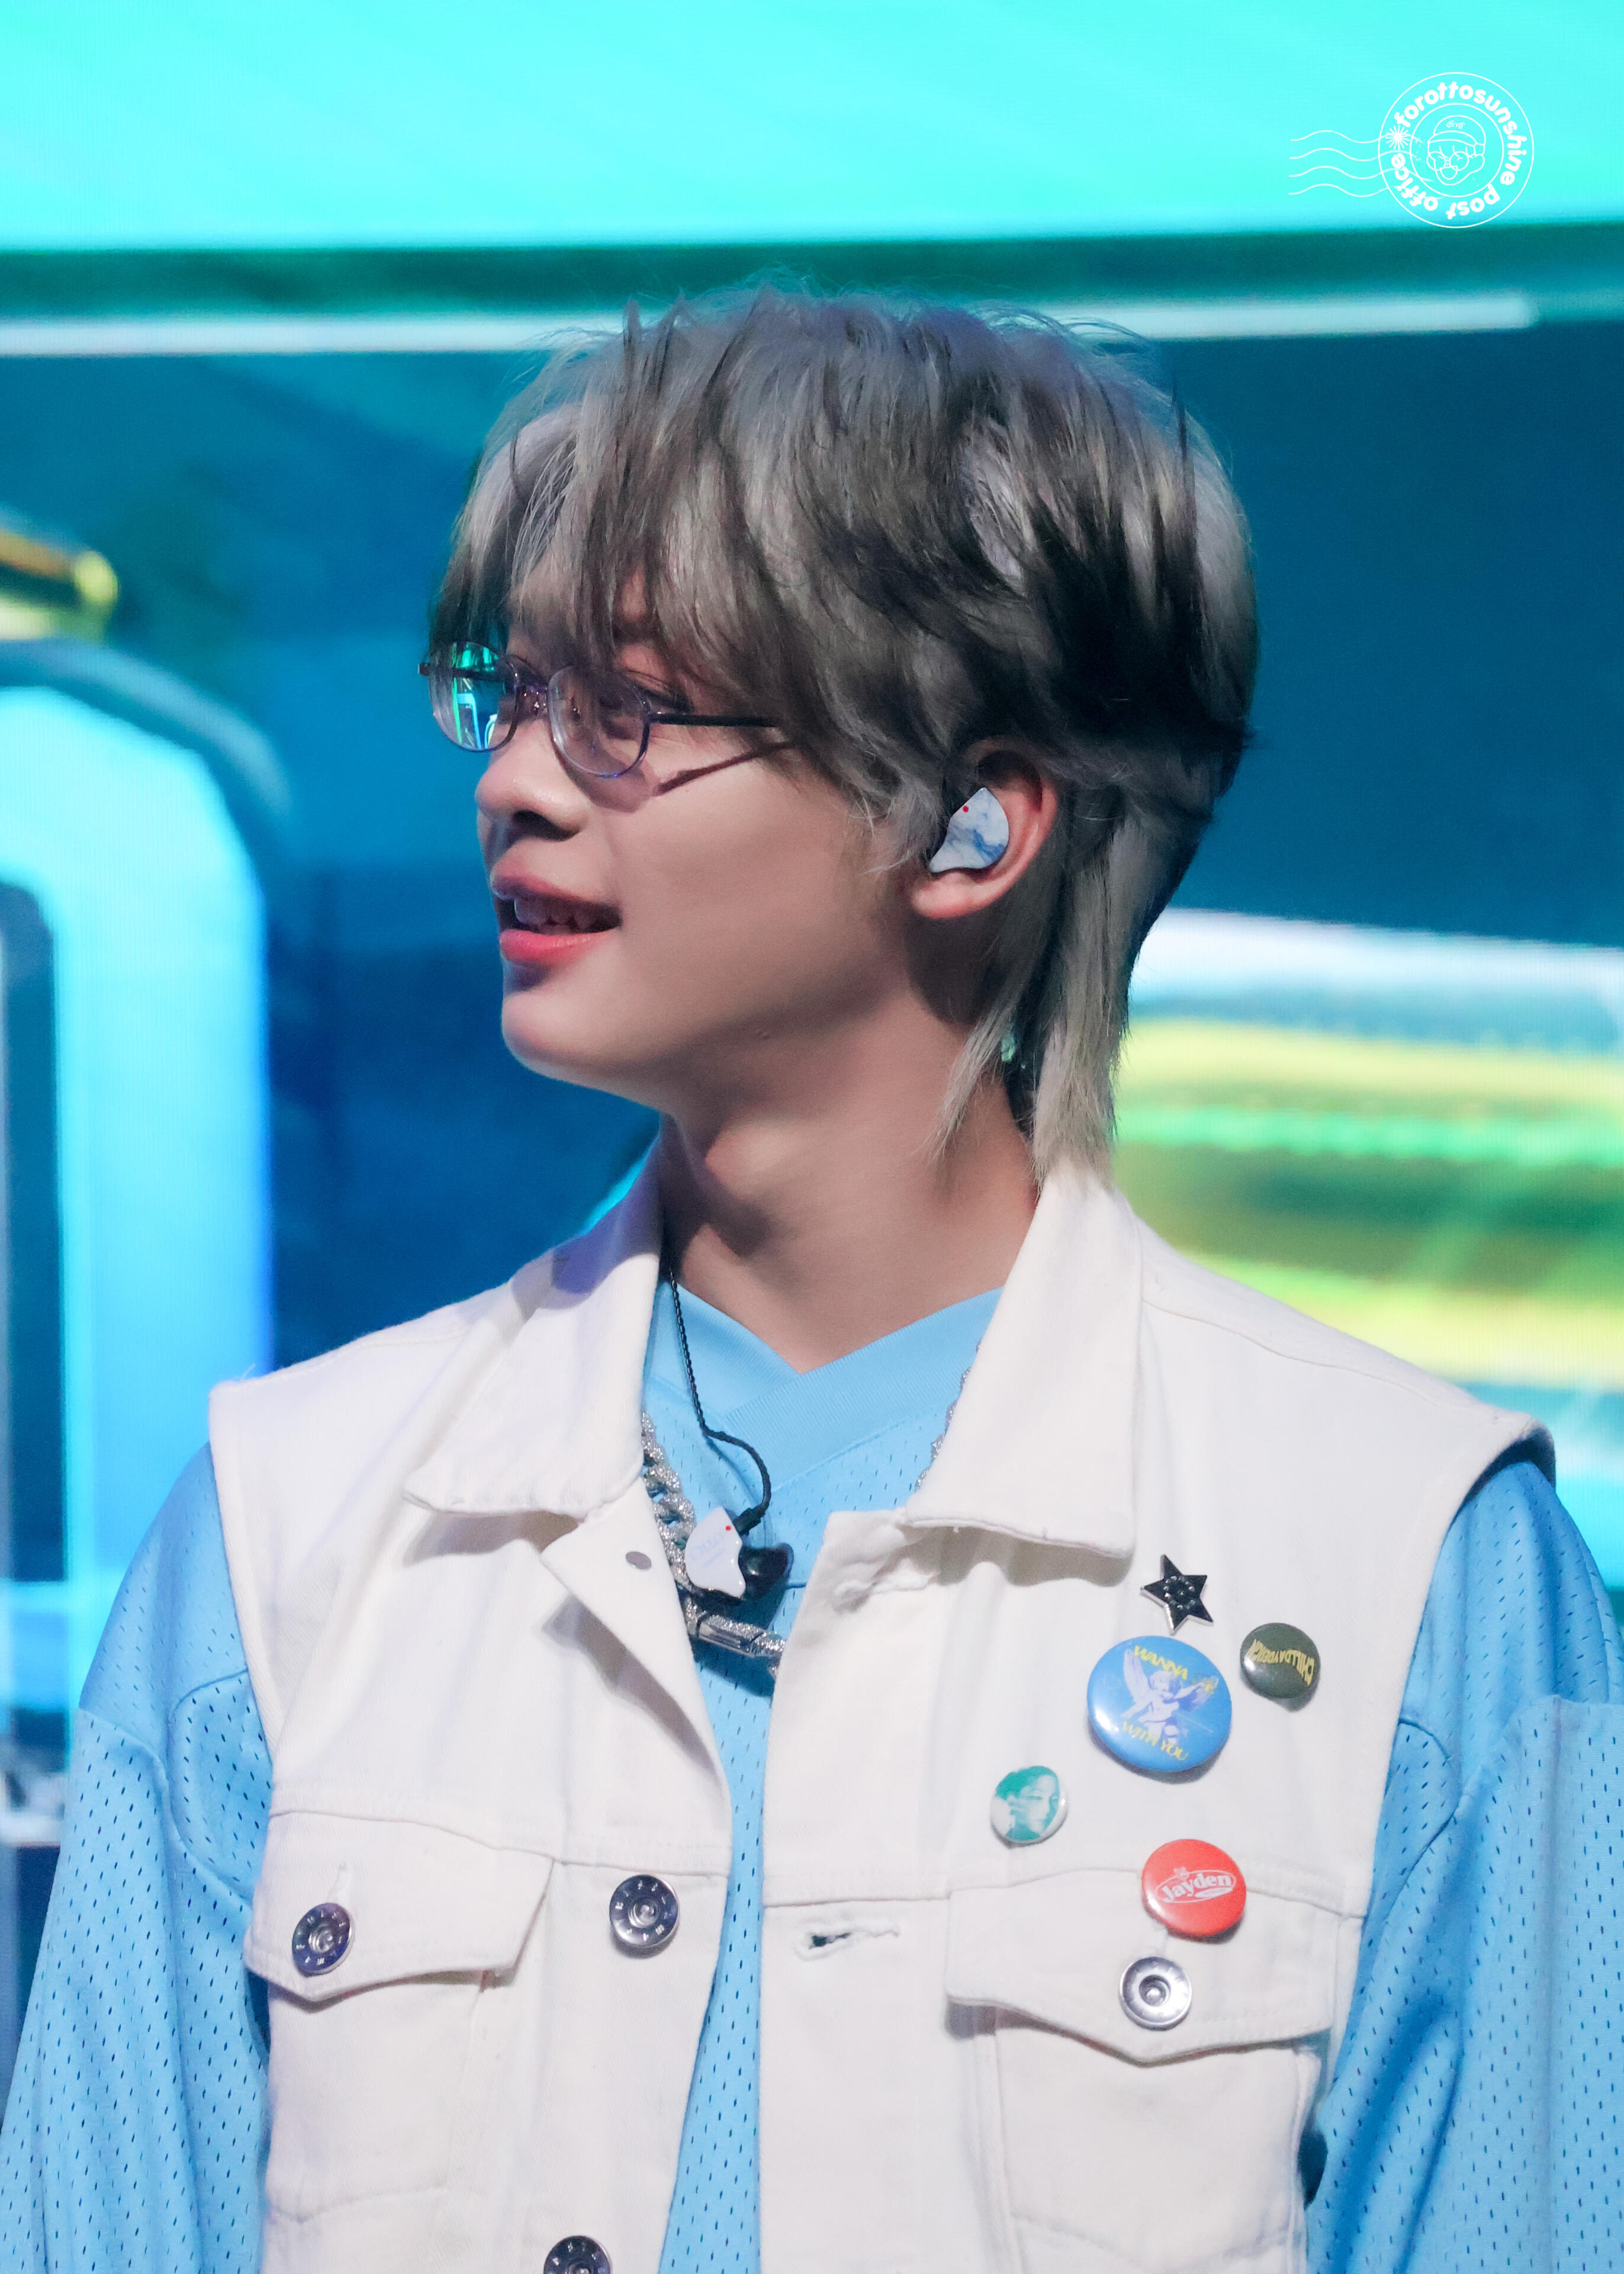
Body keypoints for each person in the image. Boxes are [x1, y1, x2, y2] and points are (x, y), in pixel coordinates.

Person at [2, 287, 1620, 2274]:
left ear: (974, 821)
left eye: (633, 708)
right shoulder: (286, 1535)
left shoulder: (1415, 1571)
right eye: (511, 691)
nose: (516, 780)